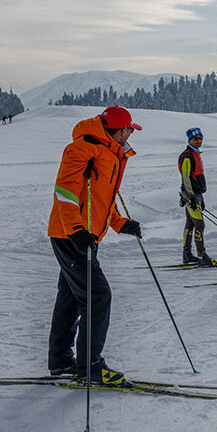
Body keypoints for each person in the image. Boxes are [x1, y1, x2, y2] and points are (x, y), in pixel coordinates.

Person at [46, 105, 143, 386]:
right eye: (129, 130)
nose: (130, 135)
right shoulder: (82, 149)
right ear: (120, 129)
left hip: (85, 235)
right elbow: (65, 192)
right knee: (98, 295)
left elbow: (100, 199)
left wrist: (119, 223)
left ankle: (61, 360)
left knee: (71, 297)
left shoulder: (109, 153)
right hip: (71, 236)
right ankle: (91, 366)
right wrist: (76, 231)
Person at [179, 127, 217, 266]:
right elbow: (186, 177)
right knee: (200, 224)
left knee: (190, 224)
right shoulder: (187, 156)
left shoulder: (196, 154)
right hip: (191, 195)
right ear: (189, 140)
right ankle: (201, 254)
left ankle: (187, 254)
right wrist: (190, 197)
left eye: (200, 138)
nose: (199, 141)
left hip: (196, 195)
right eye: (195, 139)